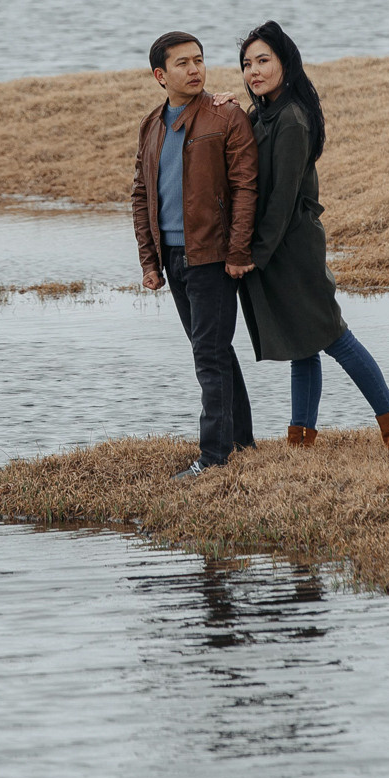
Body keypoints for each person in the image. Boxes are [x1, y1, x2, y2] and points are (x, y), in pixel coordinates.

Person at [234, 21, 389, 448]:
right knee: (303, 345)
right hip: (278, 247)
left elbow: (281, 201)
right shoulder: (264, 113)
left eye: (263, 60)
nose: (254, 71)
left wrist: (253, 255)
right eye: (247, 64)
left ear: (286, 63)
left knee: (333, 336)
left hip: (292, 249)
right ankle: (301, 438)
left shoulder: (293, 119)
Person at [130, 30, 261, 479]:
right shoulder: (152, 124)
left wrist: (238, 250)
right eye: (183, 63)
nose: (195, 69)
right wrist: (150, 261)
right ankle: (241, 442)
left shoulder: (226, 116)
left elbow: (246, 187)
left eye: (199, 60)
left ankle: (214, 457)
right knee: (214, 350)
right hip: (172, 256)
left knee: (208, 354)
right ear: (160, 76)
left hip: (212, 256)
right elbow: (141, 193)